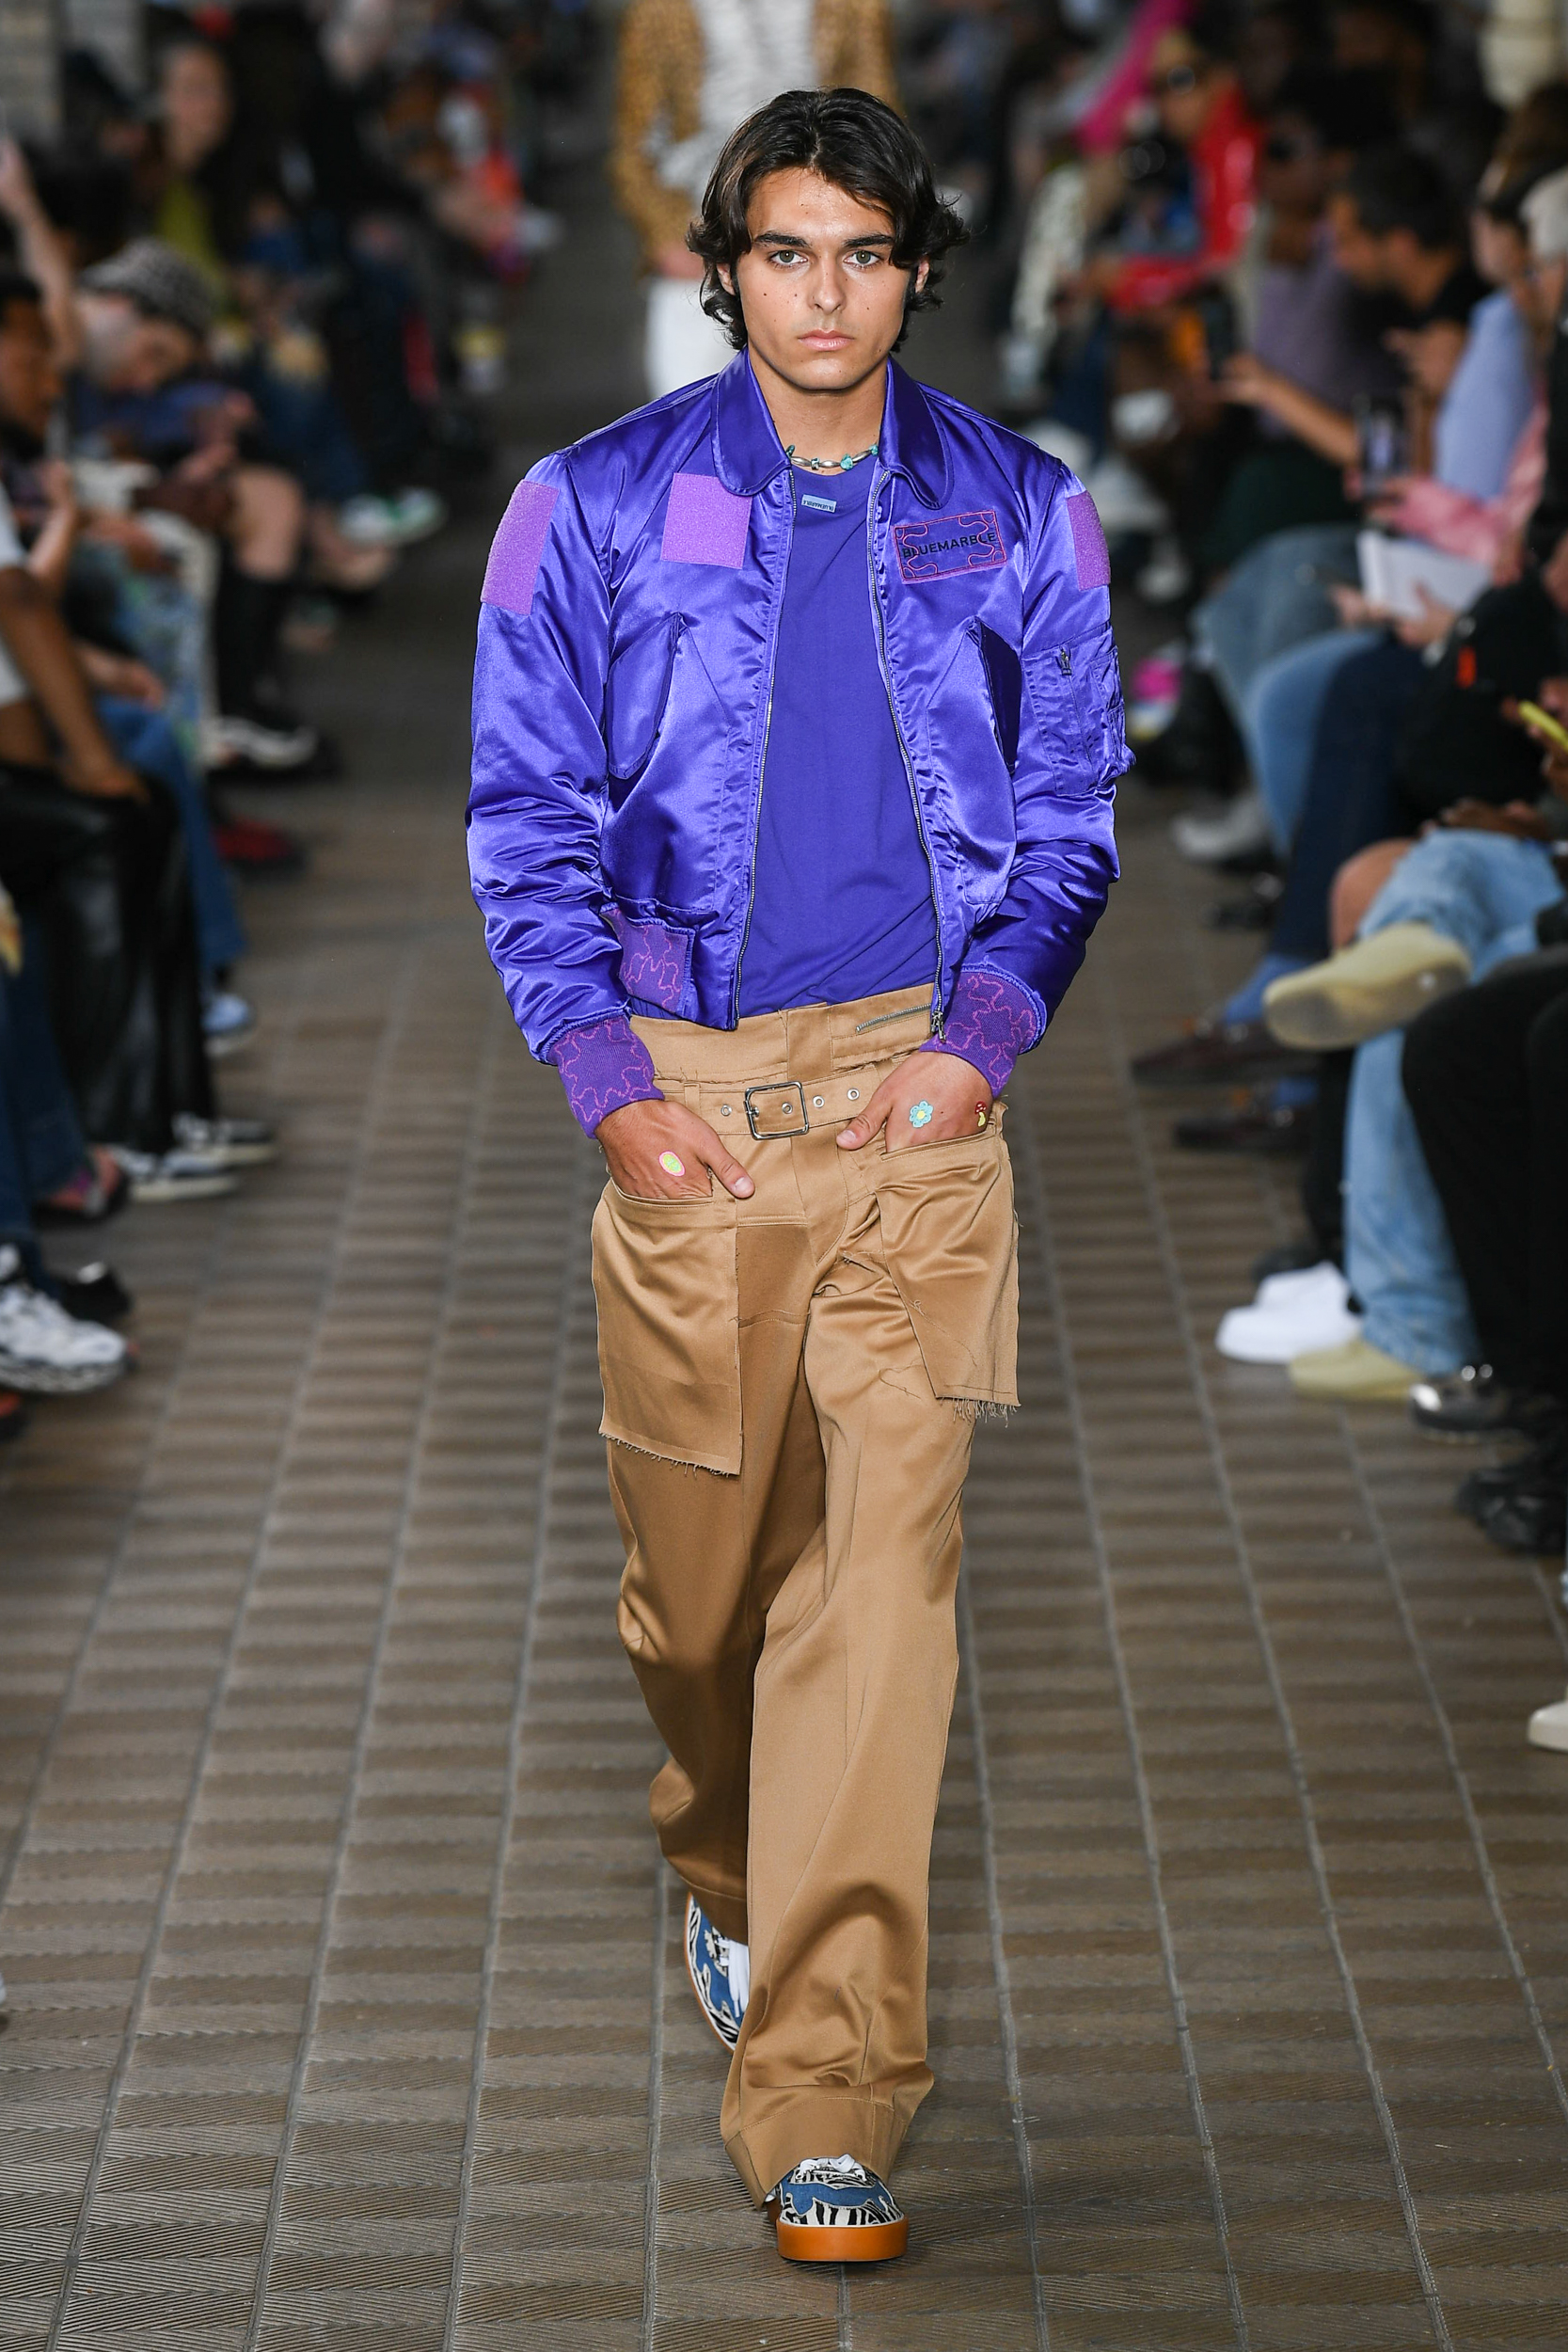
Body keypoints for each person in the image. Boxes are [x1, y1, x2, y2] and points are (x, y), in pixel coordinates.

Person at [469, 88, 1125, 2262]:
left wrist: (976, 1046)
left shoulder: (1022, 506)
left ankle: (826, 2093)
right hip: (690, 1104)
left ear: (917, 267)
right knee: (701, 1604)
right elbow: (522, 810)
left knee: (880, 1603)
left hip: (916, 1107)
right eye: (783, 251)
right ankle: (720, 1857)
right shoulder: (586, 506)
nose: (821, 293)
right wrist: (604, 1080)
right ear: (723, 268)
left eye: (860, 251)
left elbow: (1069, 805)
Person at [610, 0, 897, 396]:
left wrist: (860, 239)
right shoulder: (662, 9)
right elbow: (634, 144)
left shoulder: (852, 7)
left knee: (825, 411)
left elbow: (878, 127)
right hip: (698, 249)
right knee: (693, 418)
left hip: (823, 246)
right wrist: (666, 239)